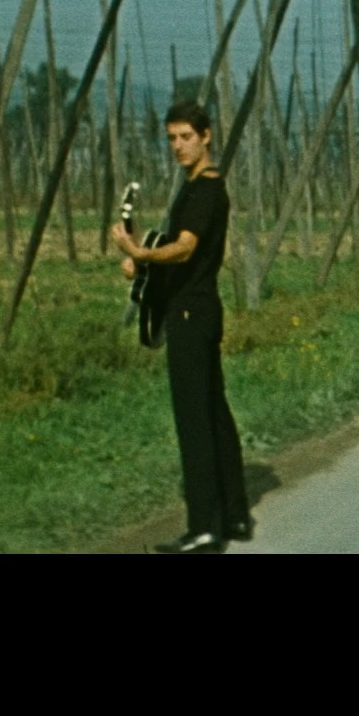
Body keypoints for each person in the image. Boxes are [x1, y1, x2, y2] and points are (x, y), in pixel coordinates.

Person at [112, 101, 252, 554]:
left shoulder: (205, 191)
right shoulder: (195, 188)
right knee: (214, 413)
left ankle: (204, 528)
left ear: (206, 136)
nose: (178, 146)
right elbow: (176, 254)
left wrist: (141, 252)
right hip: (200, 310)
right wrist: (145, 264)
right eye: (171, 138)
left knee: (194, 422)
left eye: (186, 137)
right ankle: (234, 515)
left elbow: (186, 248)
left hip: (190, 316)